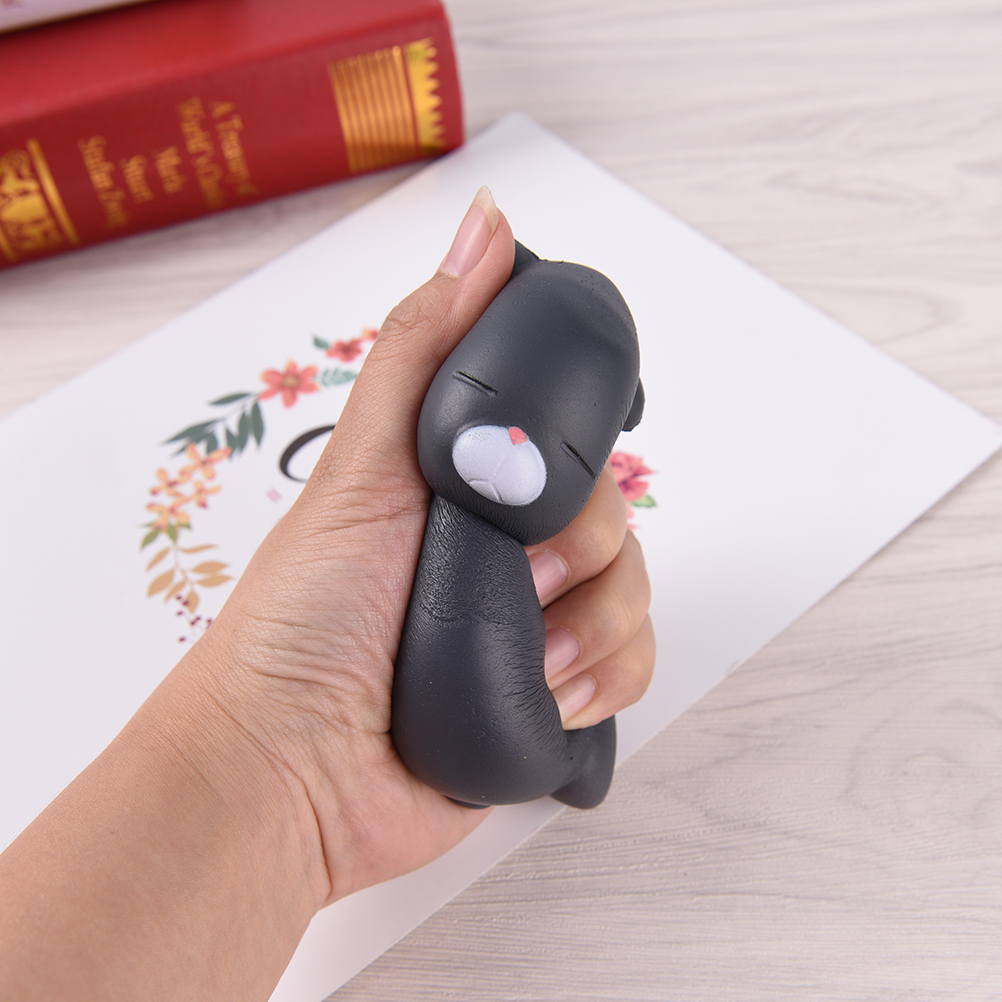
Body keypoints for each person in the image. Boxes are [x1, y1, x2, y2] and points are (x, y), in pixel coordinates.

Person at [0, 188, 655, 1001]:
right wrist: (284, 753)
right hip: (494, 751)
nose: (509, 444)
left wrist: (286, 777)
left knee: (560, 685)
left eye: (561, 453)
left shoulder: (487, 545)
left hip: (508, 749)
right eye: (486, 398)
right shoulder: (453, 532)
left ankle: (576, 755)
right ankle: (577, 758)